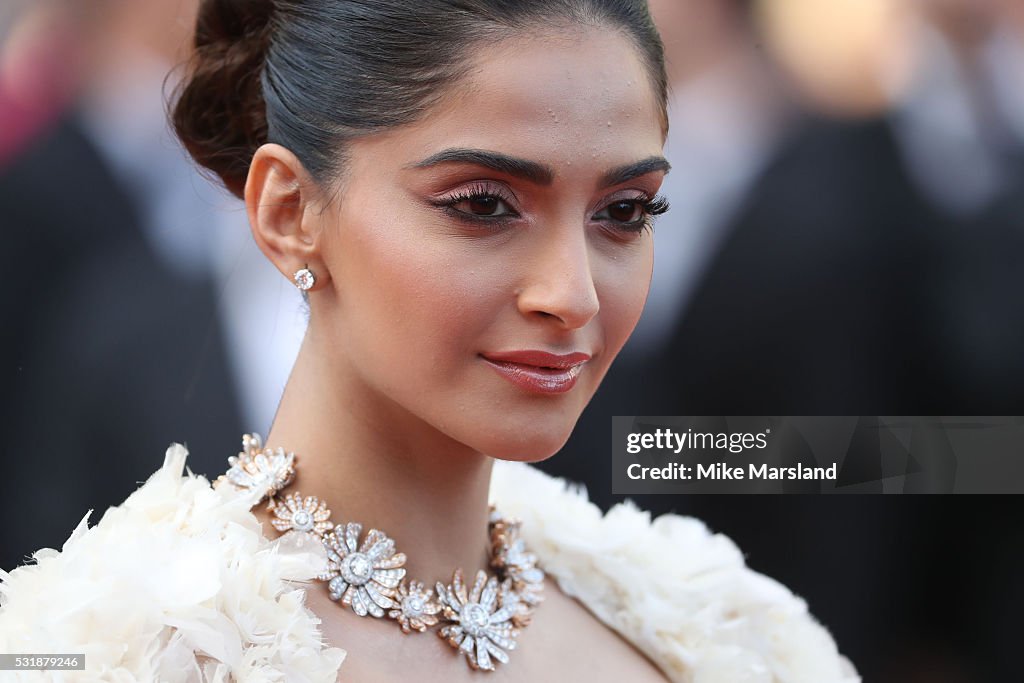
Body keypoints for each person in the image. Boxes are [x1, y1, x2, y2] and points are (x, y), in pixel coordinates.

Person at [0, 1, 859, 680]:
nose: (572, 293)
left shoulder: (721, 635)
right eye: (483, 204)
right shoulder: (94, 653)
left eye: (624, 213)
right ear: (290, 213)